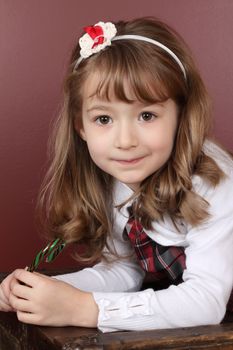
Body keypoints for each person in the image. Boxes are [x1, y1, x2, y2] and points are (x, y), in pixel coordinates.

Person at [1, 17, 233, 332]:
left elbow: (206, 301)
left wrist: (87, 310)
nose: (125, 141)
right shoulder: (119, 178)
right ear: (80, 126)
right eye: (104, 119)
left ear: (182, 115)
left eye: (147, 115)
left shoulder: (214, 183)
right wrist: (41, 291)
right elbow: (127, 271)